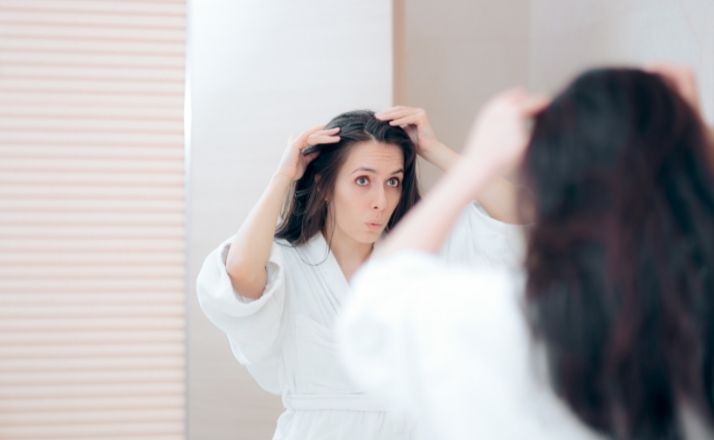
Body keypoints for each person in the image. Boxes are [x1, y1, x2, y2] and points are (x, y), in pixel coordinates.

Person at [338, 66, 714, 439]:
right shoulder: (695, 321)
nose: (381, 200)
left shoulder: (506, 321)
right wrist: (692, 143)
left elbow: (373, 310)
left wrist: (482, 160)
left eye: (392, 182)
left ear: (548, 182)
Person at [196, 108, 525, 439]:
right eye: (362, 181)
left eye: (393, 182)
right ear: (324, 185)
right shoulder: (287, 261)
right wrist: (283, 177)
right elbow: (237, 276)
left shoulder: (416, 257)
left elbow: (518, 219)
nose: (381, 201)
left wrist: (434, 149)